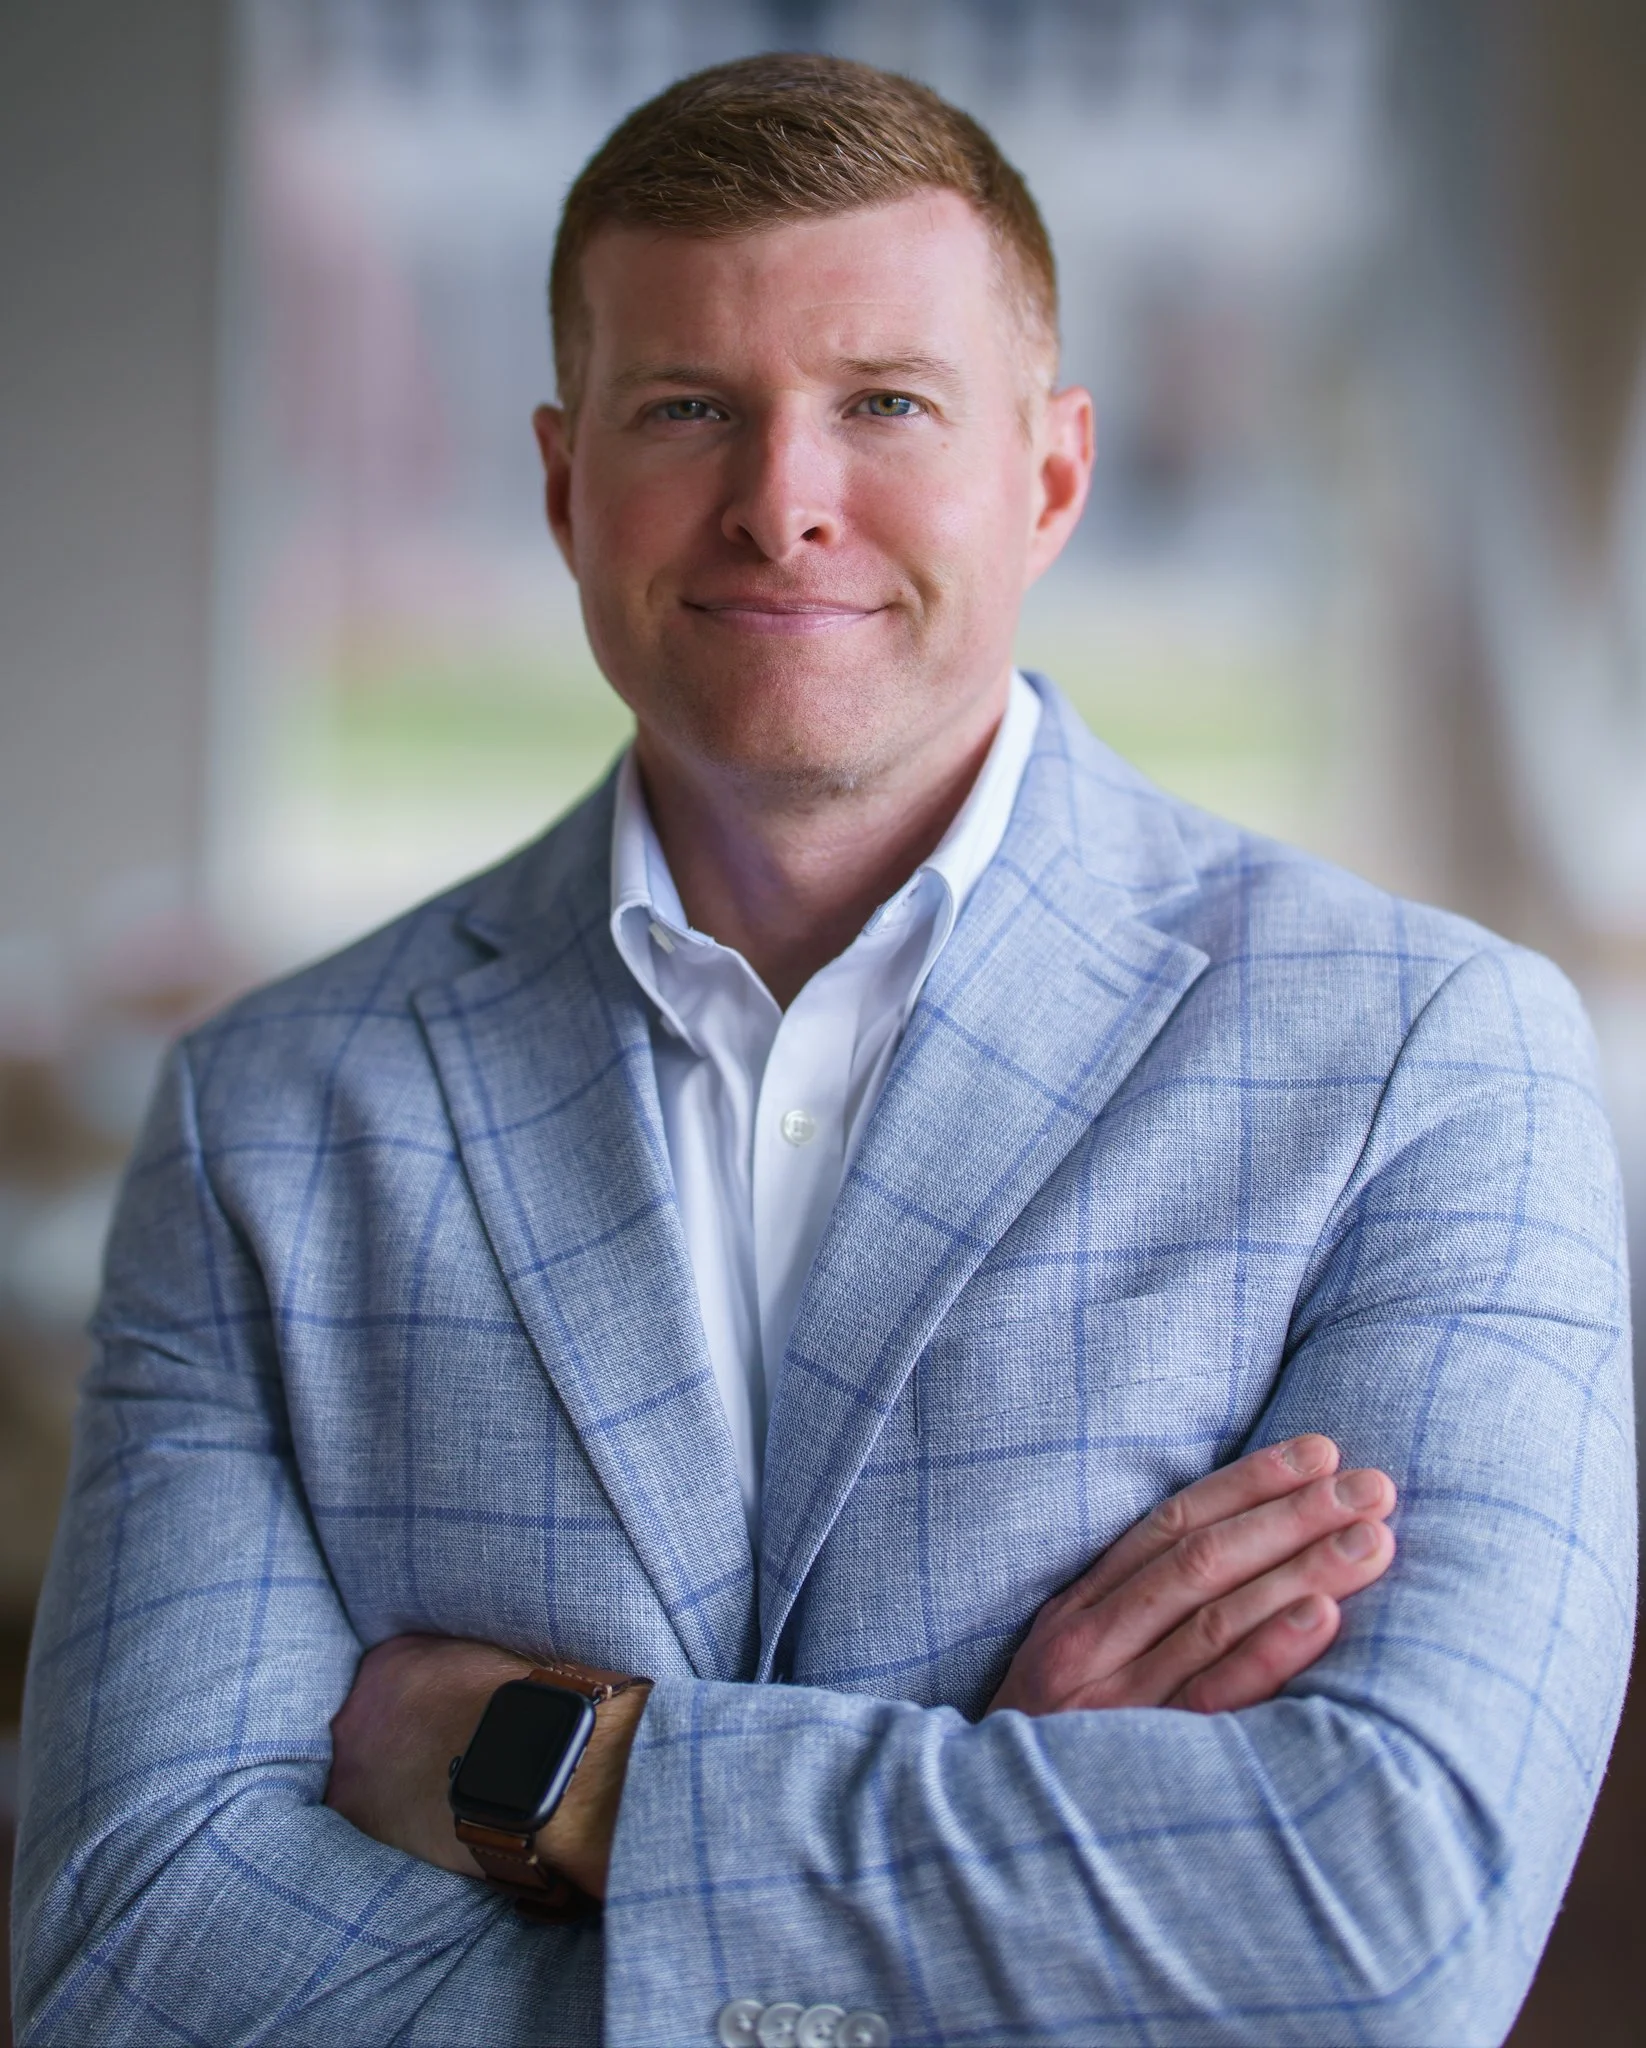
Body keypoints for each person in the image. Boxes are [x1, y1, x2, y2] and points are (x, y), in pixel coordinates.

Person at [12, 53, 1634, 2048]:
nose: (782, 499)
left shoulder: (1433, 1061)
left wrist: (564, 1774)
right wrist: (1008, 1817)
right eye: (688, 407)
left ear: (1048, 472)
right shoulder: (263, 1117)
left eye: (884, 404)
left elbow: (1387, 1928)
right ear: (560, 480)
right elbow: (129, 1966)